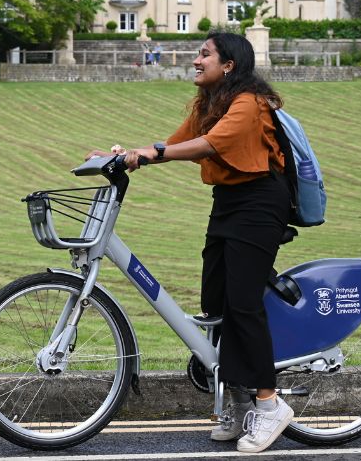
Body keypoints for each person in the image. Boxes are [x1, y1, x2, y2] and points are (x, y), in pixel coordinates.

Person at [99, 31, 293, 454]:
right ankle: (240, 404)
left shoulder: (248, 103)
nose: (195, 59)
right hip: (228, 200)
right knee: (218, 301)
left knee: (243, 302)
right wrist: (131, 153)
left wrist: (152, 154)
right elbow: (176, 140)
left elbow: (209, 145)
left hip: (261, 201)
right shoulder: (209, 103)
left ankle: (269, 402)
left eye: (204, 54)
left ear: (229, 65)